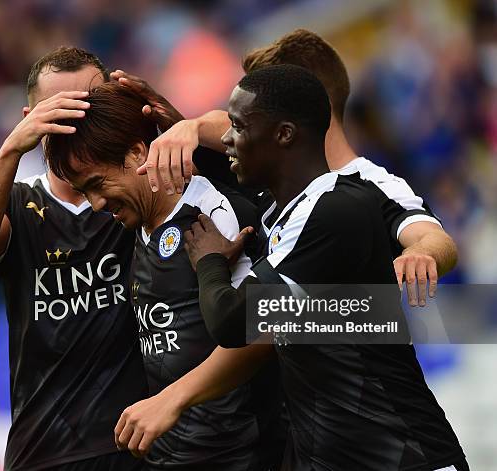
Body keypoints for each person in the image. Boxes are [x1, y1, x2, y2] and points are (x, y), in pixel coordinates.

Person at [181, 64, 467, 471]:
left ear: (284, 133)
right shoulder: (280, 208)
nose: (227, 138)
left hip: (404, 455)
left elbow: (231, 322)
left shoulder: (335, 208)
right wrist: (177, 126)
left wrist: (208, 260)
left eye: (239, 127)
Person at [110, 29, 457, 307]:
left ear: (299, 107)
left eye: (250, 117)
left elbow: (435, 239)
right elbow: (220, 129)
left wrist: (420, 253)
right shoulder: (274, 175)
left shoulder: (370, 184)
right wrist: (188, 125)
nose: (235, 135)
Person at [44, 81, 281, 470]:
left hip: (238, 456)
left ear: (139, 152)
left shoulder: (212, 214)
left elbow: (262, 329)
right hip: (172, 456)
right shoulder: (136, 224)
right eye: (85, 193)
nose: (97, 204)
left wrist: (170, 400)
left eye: (98, 185)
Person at [0, 47, 150, 471]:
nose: (77, 123)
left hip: (140, 441)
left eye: (90, 106)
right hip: (45, 448)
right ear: (31, 119)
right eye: (60, 111)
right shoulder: (21, 202)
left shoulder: (143, 190)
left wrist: (182, 126)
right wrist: (10, 150)